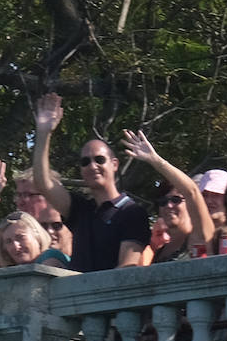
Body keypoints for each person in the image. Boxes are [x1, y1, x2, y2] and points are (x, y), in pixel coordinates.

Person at [32, 93, 149, 271]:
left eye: (99, 159)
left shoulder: (132, 212)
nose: (92, 166)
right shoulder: (81, 210)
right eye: (85, 162)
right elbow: (43, 183)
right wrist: (43, 133)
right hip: (77, 295)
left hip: (107, 295)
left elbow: (126, 267)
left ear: (114, 164)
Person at [124, 130, 215, 262]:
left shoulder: (199, 237)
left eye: (176, 200)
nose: (168, 206)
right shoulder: (159, 251)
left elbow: (192, 192)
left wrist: (155, 160)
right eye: (163, 202)